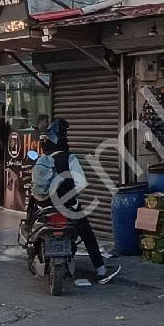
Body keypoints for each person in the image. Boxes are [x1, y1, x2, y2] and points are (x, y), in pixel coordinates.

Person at [30, 119, 119, 284]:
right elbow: (81, 183)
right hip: (68, 207)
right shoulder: (70, 158)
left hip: (45, 207)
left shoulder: (41, 161)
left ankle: (32, 256)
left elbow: (35, 188)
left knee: (32, 224)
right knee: (87, 233)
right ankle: (101, 271)